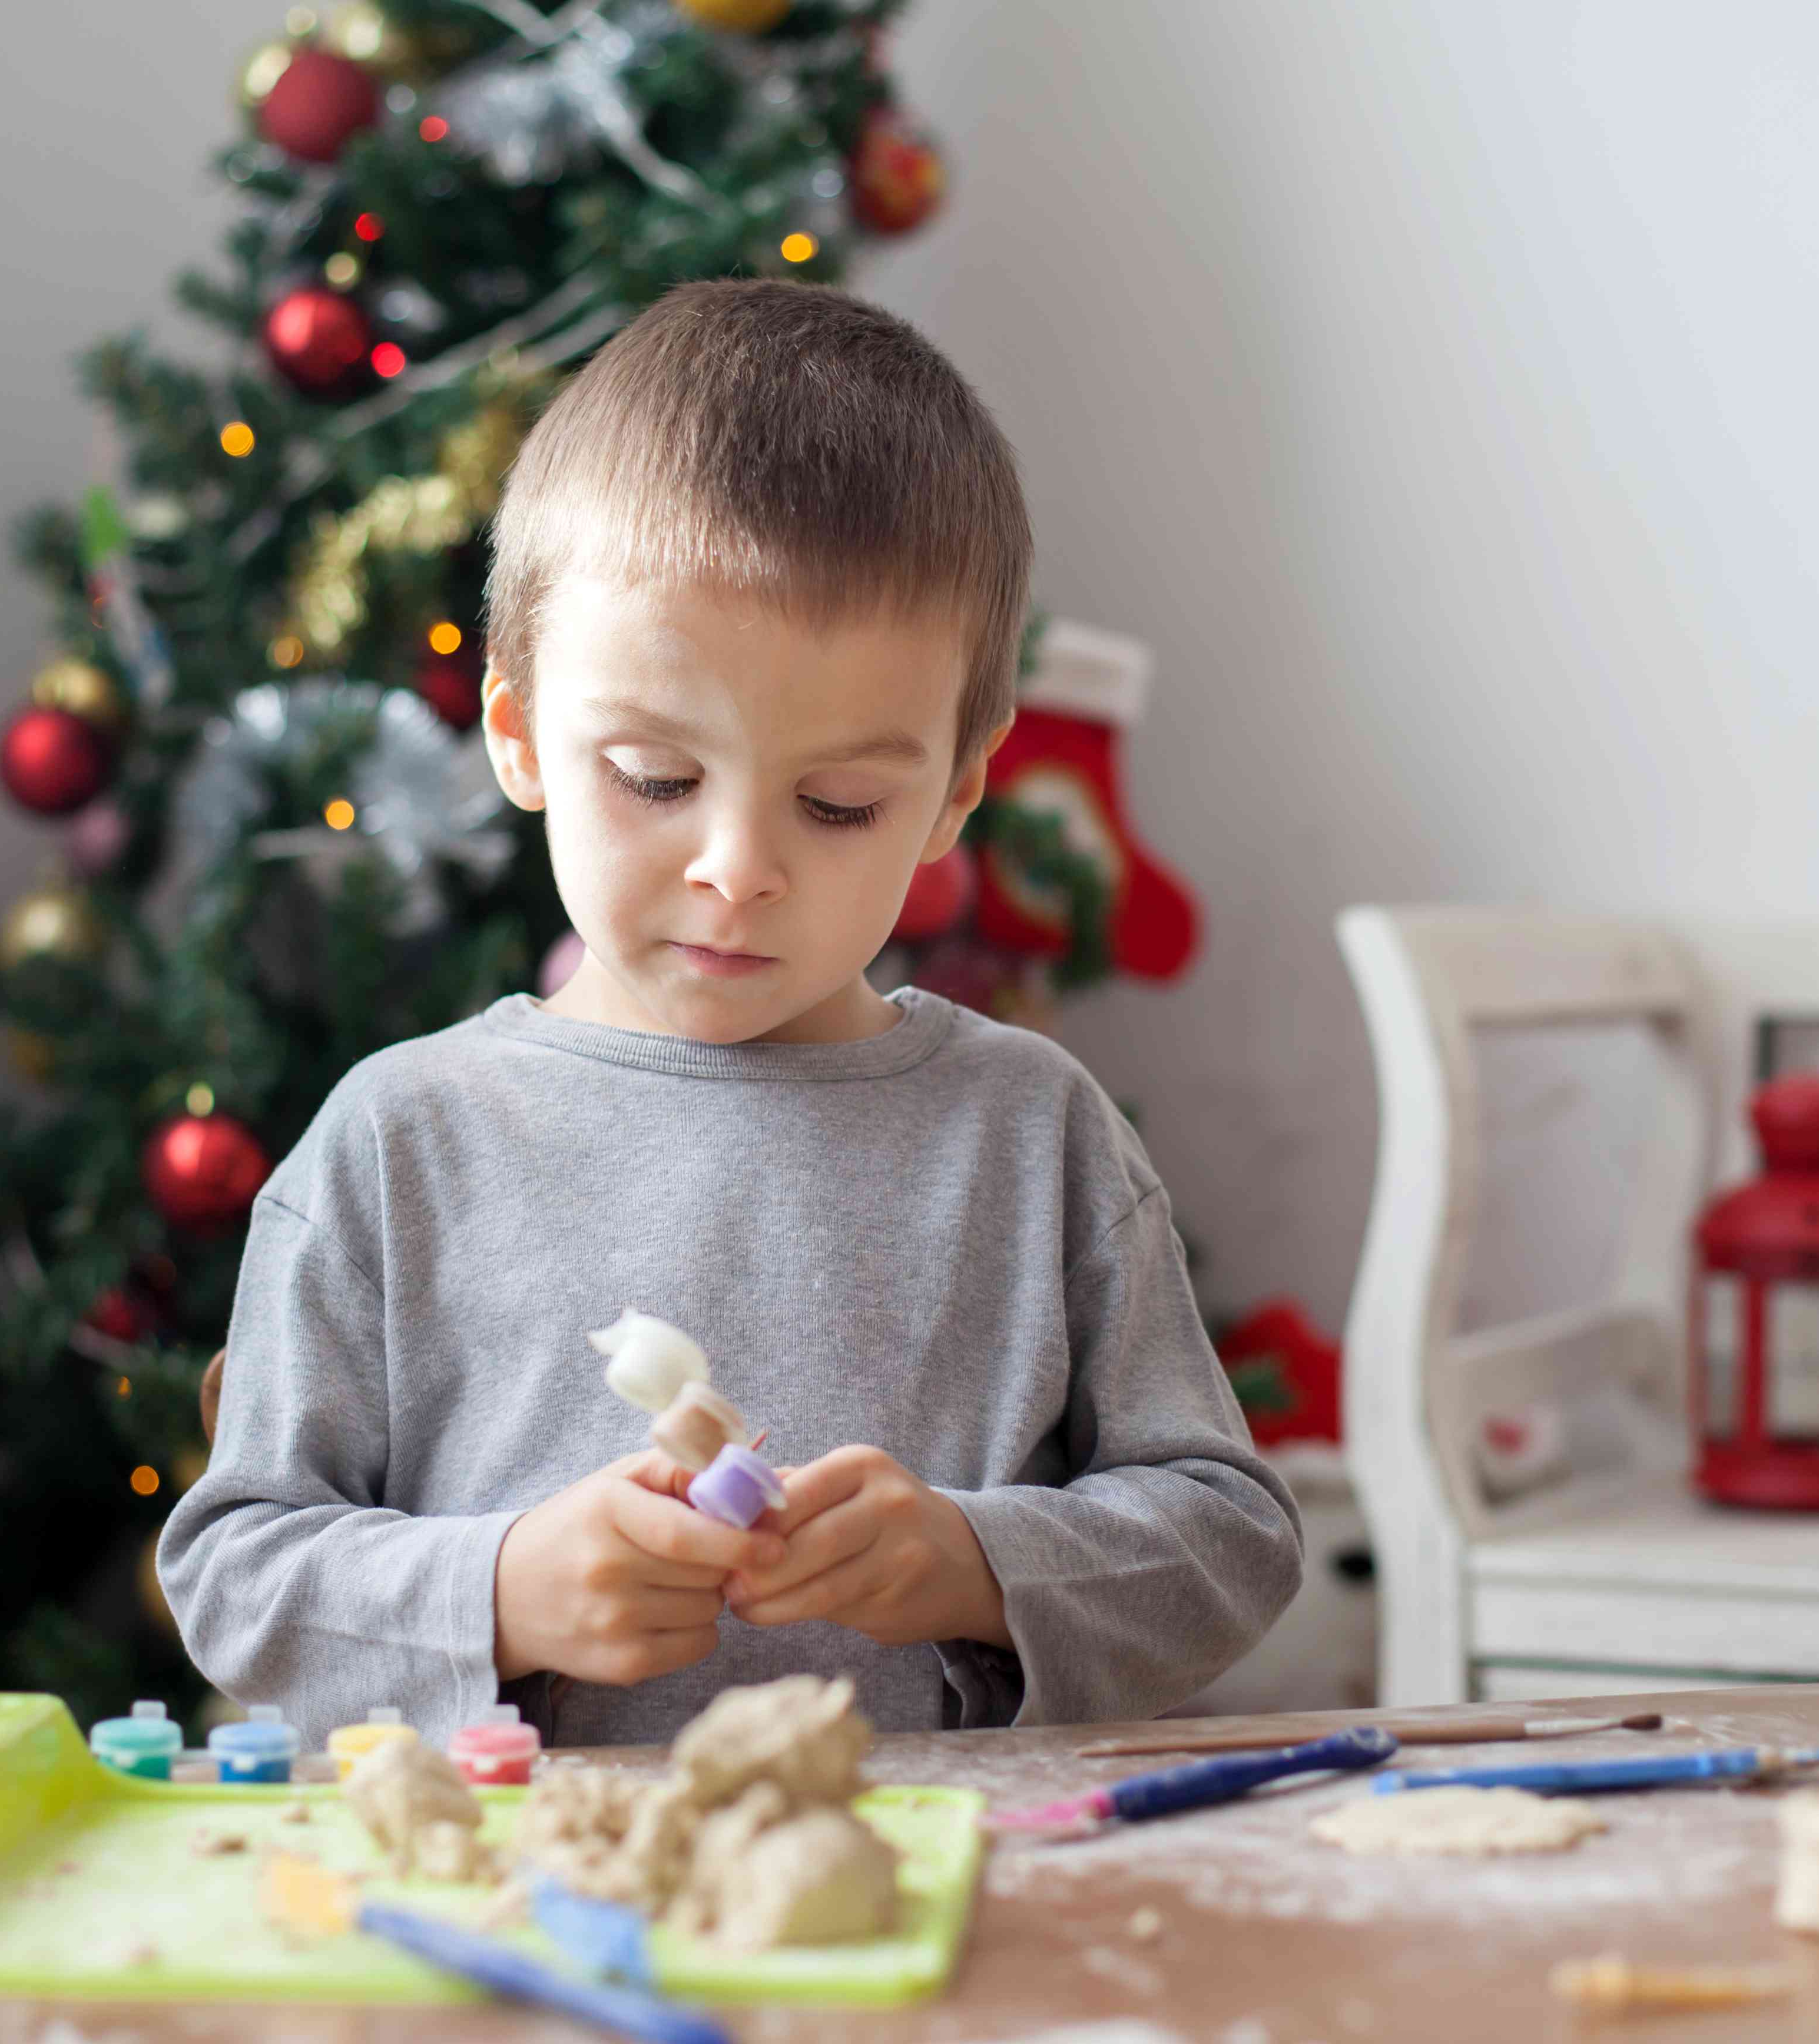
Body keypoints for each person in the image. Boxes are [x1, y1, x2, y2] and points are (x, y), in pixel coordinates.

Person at [159, 280, 1301, 1746]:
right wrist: (499, 1589)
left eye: (838, 804)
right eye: (653, 778)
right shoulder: (402, 1141)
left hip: (939, 1913)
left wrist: (977, 1565)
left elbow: (1226, 1541)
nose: (739, 870)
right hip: (523, 1917)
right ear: (517, 735)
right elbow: (234, 1574)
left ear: (957, 788)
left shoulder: (1029, 1133)